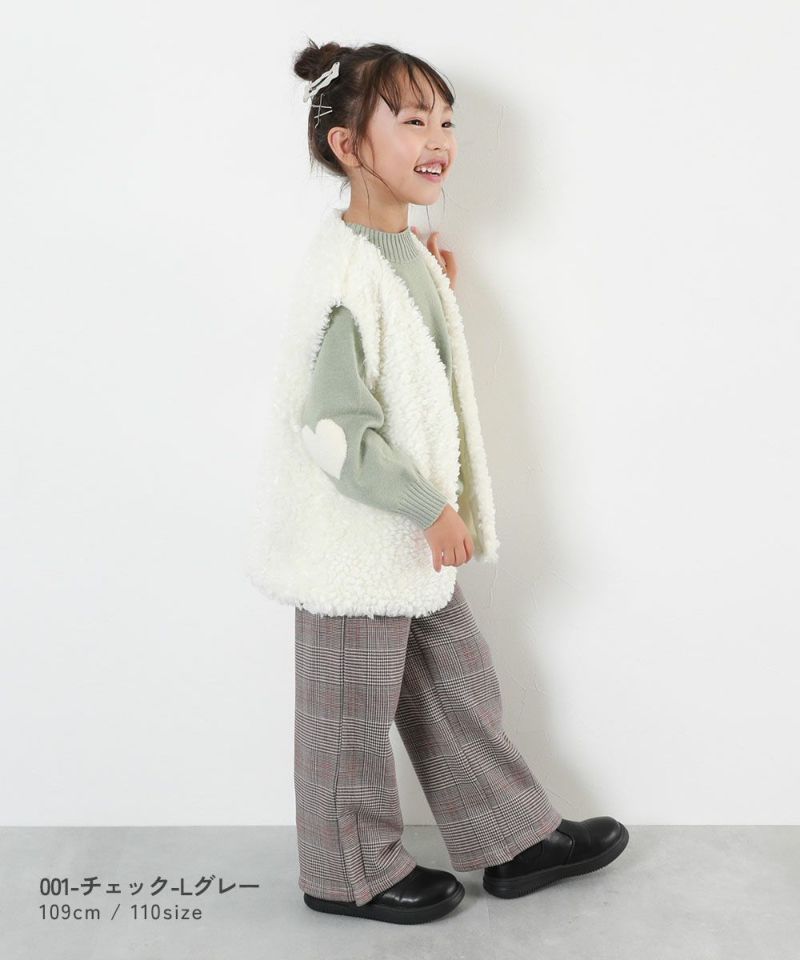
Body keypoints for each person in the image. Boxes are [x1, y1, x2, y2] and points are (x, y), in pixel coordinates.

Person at [245, 39, 629, 925]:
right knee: (348, 714)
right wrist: (428, 507)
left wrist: (433, 286)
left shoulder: (400, 253)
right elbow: (333, 427)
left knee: (456, 681)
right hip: (357, 543)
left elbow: (403, 361)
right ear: (349, 145)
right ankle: (347, 871)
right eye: (413, 120)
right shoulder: (345, 275)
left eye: (446, 121)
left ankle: (511, 838)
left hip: (403, 546)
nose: (439, 140)